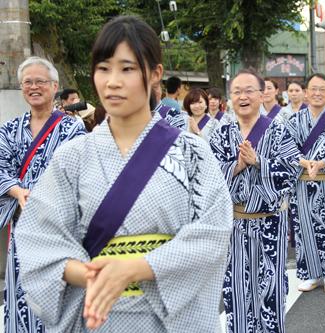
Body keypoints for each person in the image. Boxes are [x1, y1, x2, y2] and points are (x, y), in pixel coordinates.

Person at [15, 16, 232, 332]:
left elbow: (213, 231)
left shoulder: (191, 152)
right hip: (98, 316)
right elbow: (38, 237)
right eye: (103, 68)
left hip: (168, 320)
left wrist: (136, 268)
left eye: (127, 68)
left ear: (155, 73)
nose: (112, 81)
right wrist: (95, 275)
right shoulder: (72, 157)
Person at [210, 69, 300, 333]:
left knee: (270, 289)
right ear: (230, 97)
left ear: (262, 95)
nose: (243, 97)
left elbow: (293, 170)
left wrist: (259, 162)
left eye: (249, 90)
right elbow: (209, 177)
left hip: (270, 222)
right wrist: (237, 166)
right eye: (237, 92)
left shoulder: (280, 130)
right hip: (234, 224)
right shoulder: (221, 132)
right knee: (235, 288)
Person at [0, 56, 86, 332]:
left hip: (58, 231)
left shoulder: (72, 129)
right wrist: (17, 191)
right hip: (22, 228)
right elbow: (1, 167)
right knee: (19, 294)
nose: (33, 87)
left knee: (57, 297)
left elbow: (76, 173)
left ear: (54, 86)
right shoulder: (8, 131)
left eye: (40, 81)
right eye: (28, 82)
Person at [287, 73, 325, 292]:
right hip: (302, 182)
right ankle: (311, 274)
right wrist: (305, 163)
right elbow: (287, 150)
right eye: (313, 89)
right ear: (306, 92)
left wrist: (321, 164)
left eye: (322, 89)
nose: (317, 93)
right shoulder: (294, 120)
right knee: (304, 228)